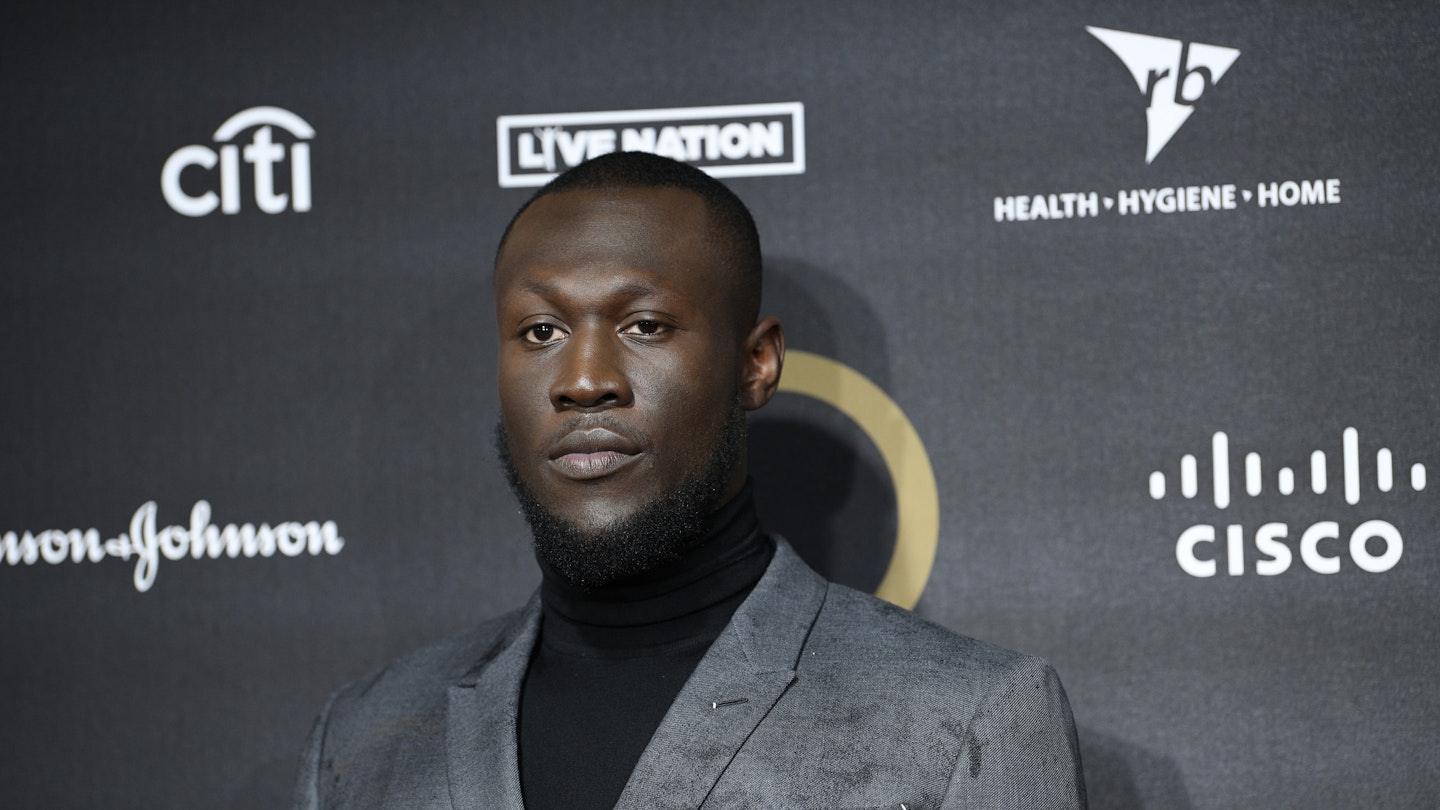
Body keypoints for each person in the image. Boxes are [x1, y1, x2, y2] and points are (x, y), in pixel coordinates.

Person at [293, 151, 1086, 809]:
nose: (585, 379)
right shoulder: (365, 739)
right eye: (541, 330)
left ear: (756, 363)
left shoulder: (969, 720)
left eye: (645, 327)